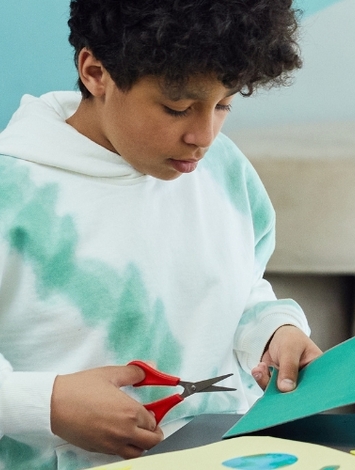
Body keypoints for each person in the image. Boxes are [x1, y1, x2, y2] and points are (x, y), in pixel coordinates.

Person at [0, 0, 320, 467]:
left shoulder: (224, 171)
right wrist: (47, 403)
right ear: (95, 72)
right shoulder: (14, 194)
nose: (203, 134)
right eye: (177, 108)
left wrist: (274, 330)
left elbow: (238, 288)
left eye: (224, 103)